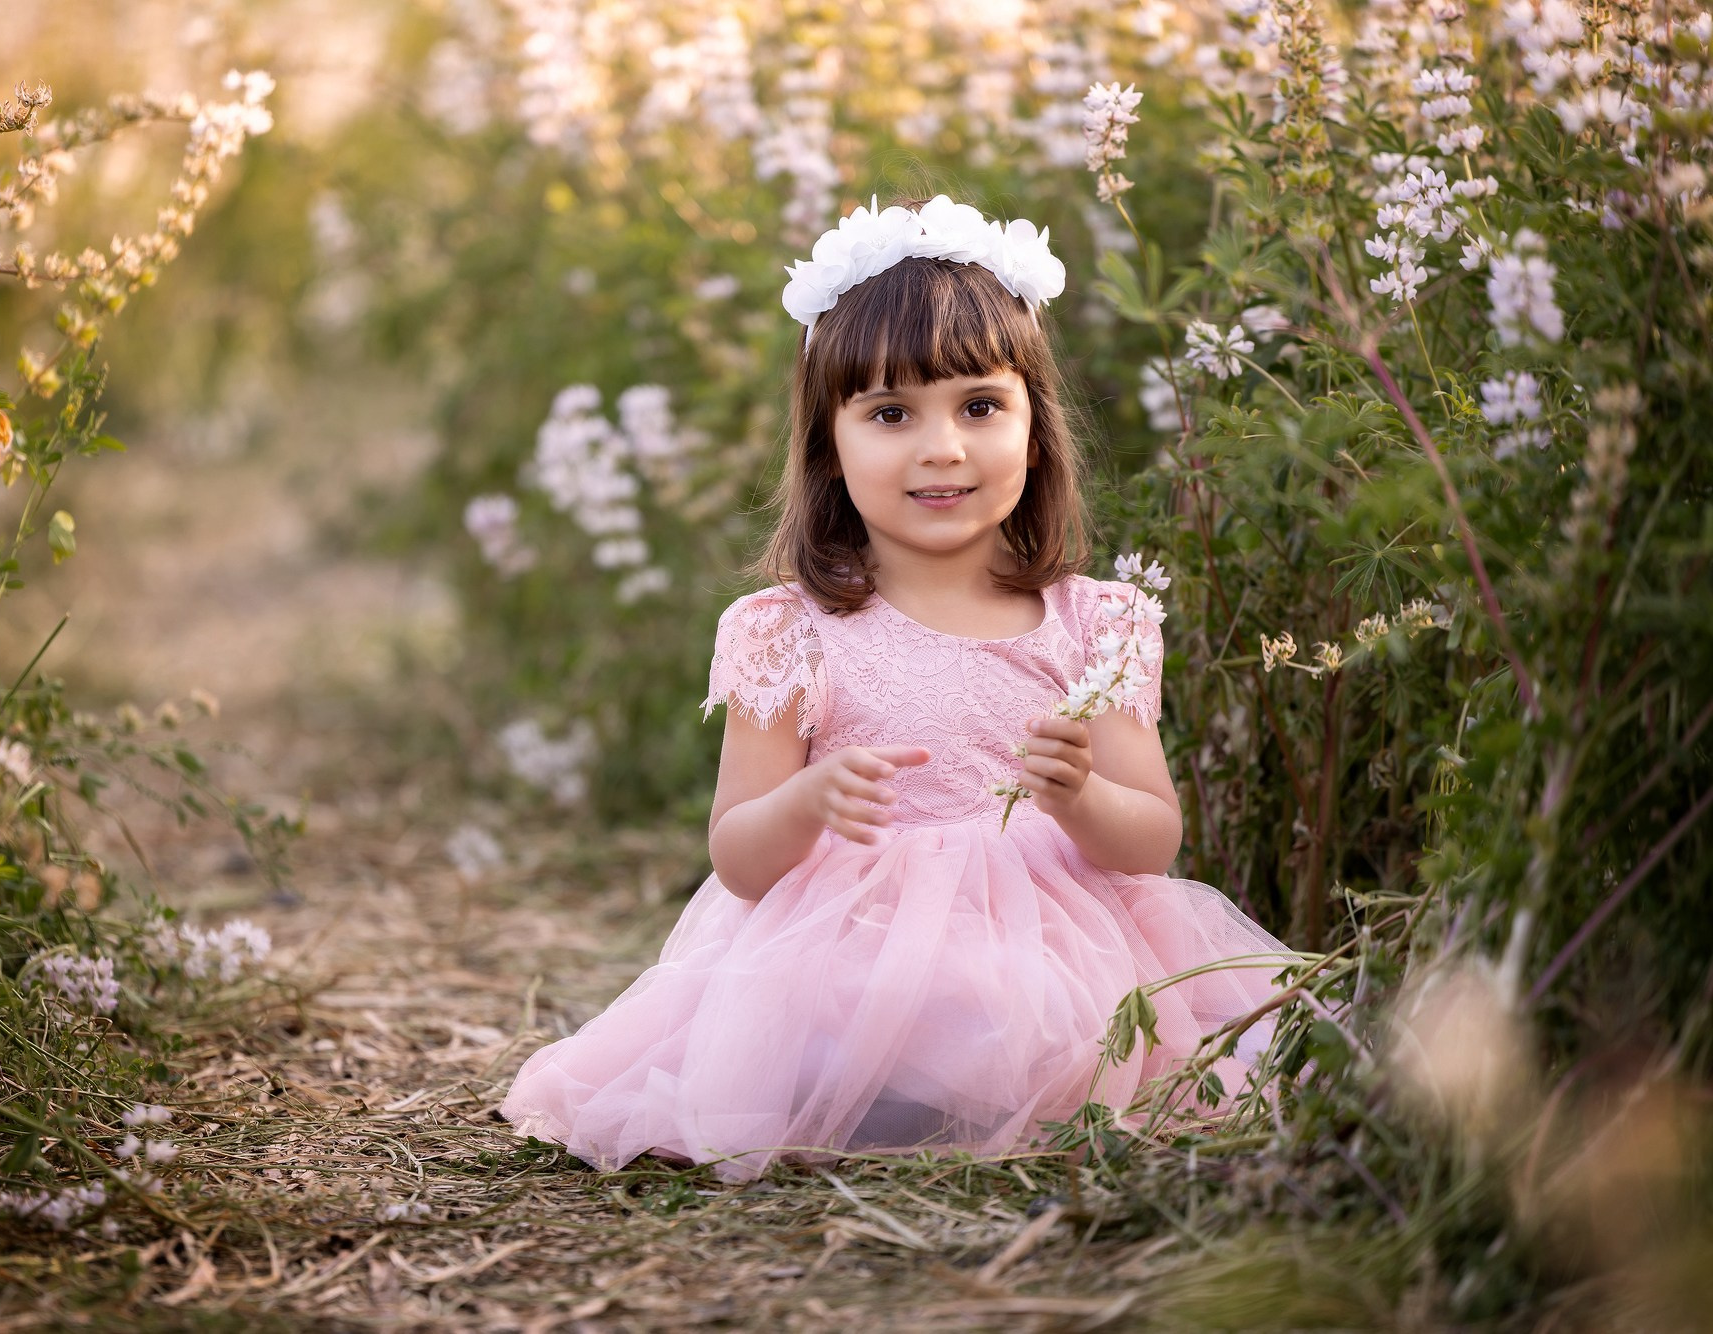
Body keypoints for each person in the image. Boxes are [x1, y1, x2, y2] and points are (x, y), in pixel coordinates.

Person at [500, 195, 1297, 1183]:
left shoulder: (1096, 623)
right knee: (852, 1008)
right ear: (829, 445)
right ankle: (902, 1089)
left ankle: (986, 1087)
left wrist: (1080, 795)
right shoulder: (786, 631)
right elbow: (739, 859)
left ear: (1034, 428)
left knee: (1028, 1008)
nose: (941, 447)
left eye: (978, 405)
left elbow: (1152, 839)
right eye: (888, 413)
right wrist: (803, 801)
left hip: (1054, 947)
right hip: (848, 947)